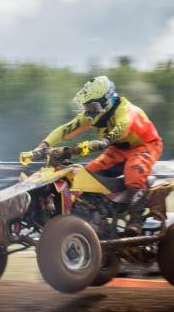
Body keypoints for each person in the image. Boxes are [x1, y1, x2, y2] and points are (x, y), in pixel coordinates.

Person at [30, 75, 163, 232]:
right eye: (85, 106)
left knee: (134, 172)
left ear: (106, 101)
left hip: (146, 145)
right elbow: (65, 129)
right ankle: (95, 215)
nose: (87, 111)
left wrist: (105, 141)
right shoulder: (93, 114)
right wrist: (42, 146)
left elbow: (122, 127)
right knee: (88, 174)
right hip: (118, 148)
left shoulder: (127, 110)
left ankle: (136, 221)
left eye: (91, 106)